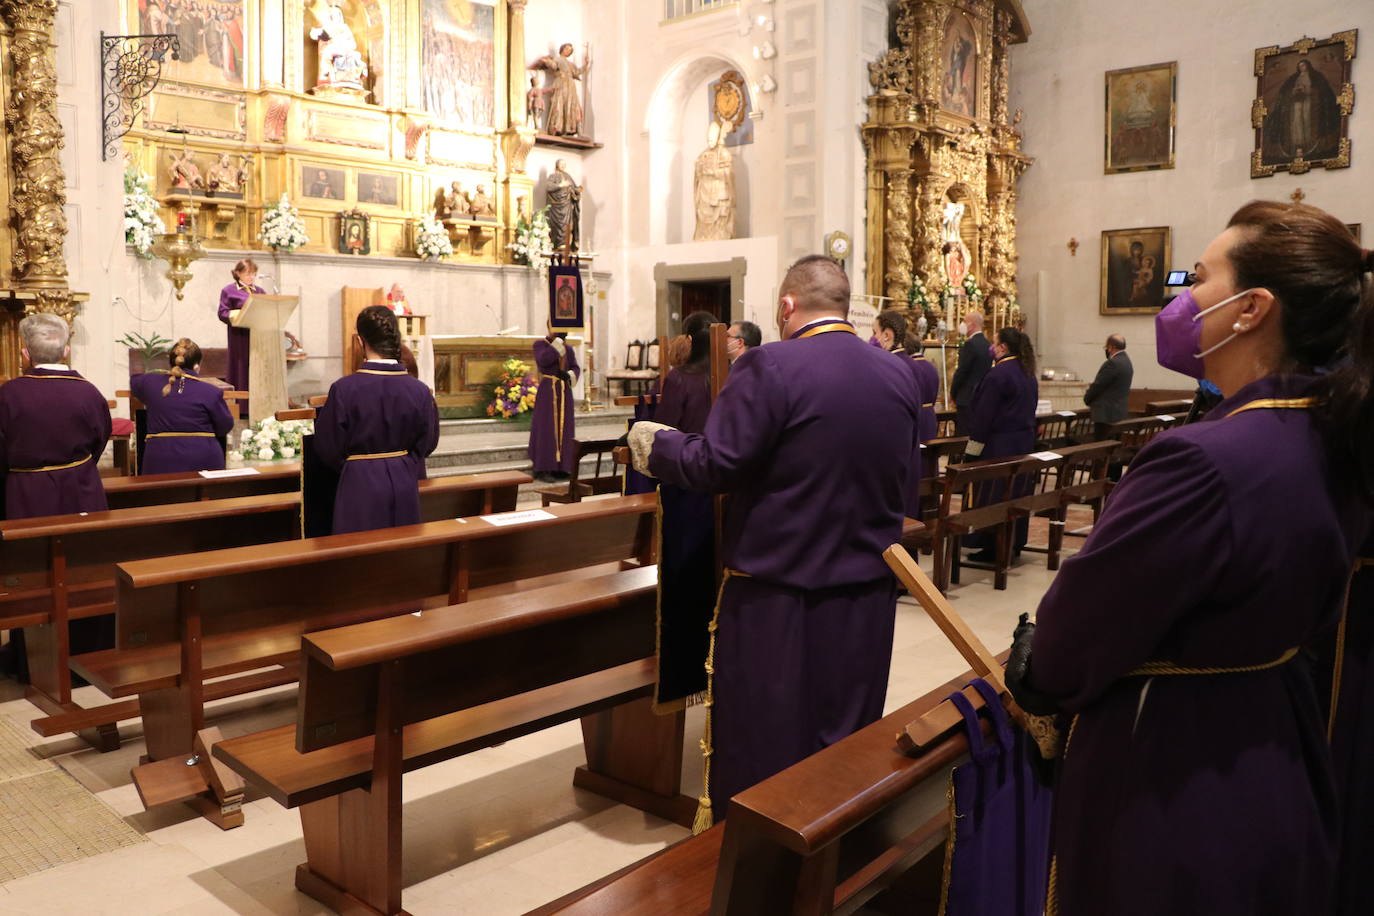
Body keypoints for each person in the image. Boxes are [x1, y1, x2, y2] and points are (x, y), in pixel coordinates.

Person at [1006, 200, 1374, 915]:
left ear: (1252, 308)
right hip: (1276, 732)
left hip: (1176, 761)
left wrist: (1037, 664)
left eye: (1200, 278)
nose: (1182, 297)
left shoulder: (1204, 460)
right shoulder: (1336, 433)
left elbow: (1072, 642)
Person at [627, 255, 921, 827]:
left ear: (787, 306)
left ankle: (758, 861)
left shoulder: (771, 365)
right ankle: (838, 844)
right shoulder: (897, 374)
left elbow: (717, 463)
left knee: (767, 745)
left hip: (780, 597)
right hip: (867, 594)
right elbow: (905, 478)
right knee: (845, 735)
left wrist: (657, 444)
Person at [0, 315, 113, 680]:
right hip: (82, 491)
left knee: (33, 578)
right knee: (85, 570)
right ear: (66, 350)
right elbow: (100, 439)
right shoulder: (89, 392)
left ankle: (32, 663)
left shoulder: (8, 394)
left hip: (26, 495)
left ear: (24, 354)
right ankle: (87, 659)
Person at [313, 306, 439, 535]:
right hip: (404, 480)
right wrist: (401, 463)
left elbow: (327, 446)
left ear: (361, 341)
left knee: (360, 550)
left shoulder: (344, 389)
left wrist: (356, 466)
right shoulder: (419, 390)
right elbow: (427, 442)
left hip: (359, 483)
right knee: (402, 547)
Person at [963, 326, 1039, 561]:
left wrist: (971, 452)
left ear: (1003, 347)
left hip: (999, 446)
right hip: (1023, 443)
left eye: (994, 344)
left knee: (994, 495)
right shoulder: (1027, 371)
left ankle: (993, 548)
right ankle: (1013, 542)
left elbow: (983, 417)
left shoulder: (998, 374)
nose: (992, 348)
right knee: (1016, 494)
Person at [130, 338, 233, 475]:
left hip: (160, 459)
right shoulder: (211, 392)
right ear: (196, 366)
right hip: (203, 459)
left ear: (171, 362)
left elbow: (135, 380)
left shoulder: (149, 383)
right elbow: (225, 426)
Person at [872, 309, 930, 518]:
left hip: (893, 448)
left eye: (875, 332)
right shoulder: (913, 364)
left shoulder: (888, 365)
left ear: (887, 335)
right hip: (909, 443)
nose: (873, 338)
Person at [529, 321, 581, 482]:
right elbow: (543, 360)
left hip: (564, 392)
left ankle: (563, 467)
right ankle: (544, 467)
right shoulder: (540, 345)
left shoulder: (569, 349)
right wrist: (557, 342)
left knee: (565, 428)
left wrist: (569, 375)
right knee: (546, 428)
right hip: (548, 391)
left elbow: (575, 367)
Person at [656, 311, 716, 435]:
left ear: (689, 340)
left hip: (690, 445)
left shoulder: (678, 377)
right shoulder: (733, 373)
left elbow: (665, 428)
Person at [217, 258, 262, 395]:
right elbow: (222, 313)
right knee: (241, 367)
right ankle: (241, 403)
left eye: (253, 274)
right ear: (238, 273)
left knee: (257, 368)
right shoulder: (229, 291)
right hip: (239, 336)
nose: (251, 277)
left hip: (258, 336)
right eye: (248, 273)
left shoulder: (260, 291)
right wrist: (240, 314)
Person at [949, 308, 992, 435]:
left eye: (964, 321)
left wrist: (953, 393)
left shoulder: (970, 344)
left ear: (972, 325)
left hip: (966, 397)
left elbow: (962, 372)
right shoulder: (987, 343)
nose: (962, 324)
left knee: (963, 433)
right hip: (981, 395)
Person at [1083, 333, 1133, 429]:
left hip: (1106, 414)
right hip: (1119, 412)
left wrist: (1087, 399)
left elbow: (1098, 385)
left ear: (1111, 347)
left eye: (1106, 347)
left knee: (1101, 438)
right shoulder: (1127, 361)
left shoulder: (1112, 363)